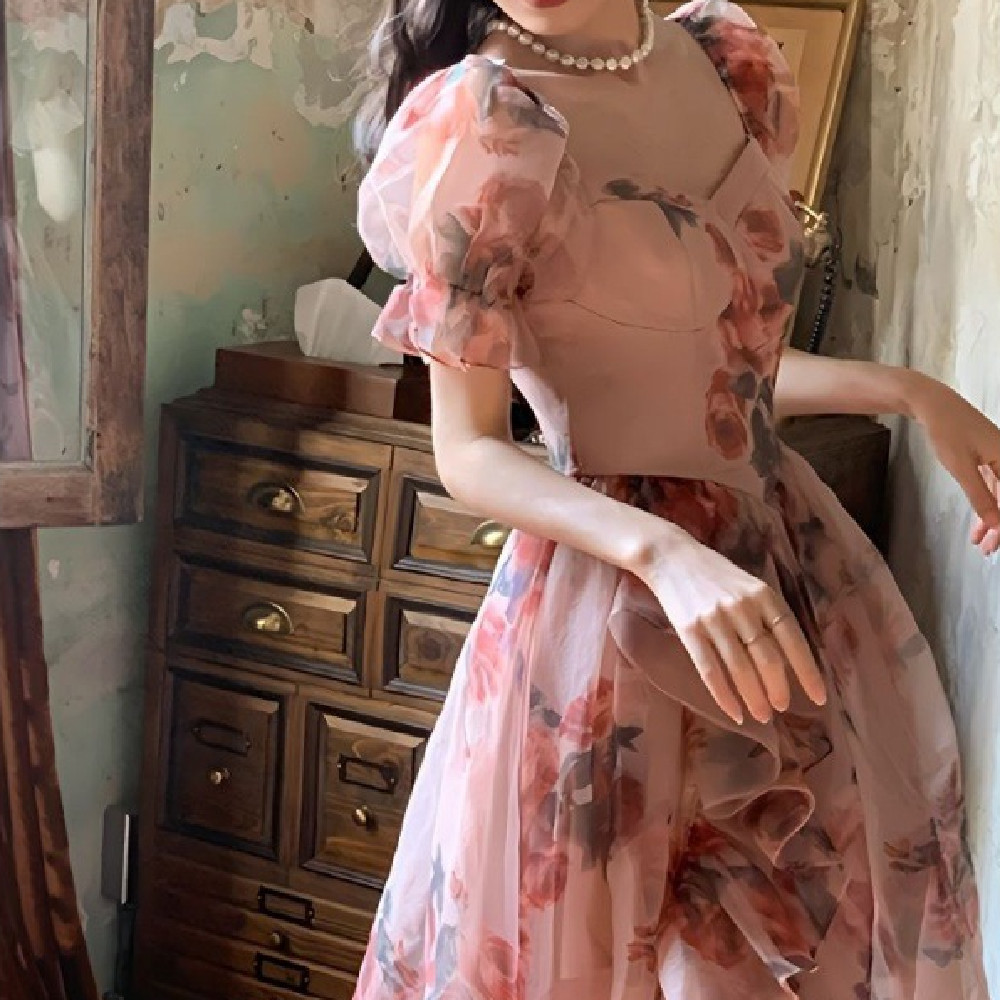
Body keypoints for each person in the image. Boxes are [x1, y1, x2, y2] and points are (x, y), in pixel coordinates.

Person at [349, 0, 997, 995]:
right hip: (610, 619)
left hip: (780, 579)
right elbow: (468, 449)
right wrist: (662, 553)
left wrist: (906, 390)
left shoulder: (726, 62)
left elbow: (719, 373)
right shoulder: (484, 118)